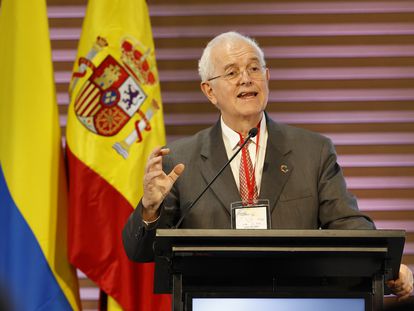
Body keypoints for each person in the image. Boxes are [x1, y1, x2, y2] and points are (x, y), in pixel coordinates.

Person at [122, 31, 413, 300]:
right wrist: (150, 210)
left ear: (267, 77)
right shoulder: (180, 160)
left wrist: (387, 263)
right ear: (209, 91)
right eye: (232, 72)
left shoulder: (312, 151)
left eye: (254, 68)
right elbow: (140, 252)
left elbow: (347, 223)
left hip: (297, 300)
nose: (246, 79)